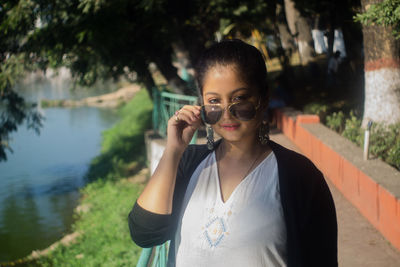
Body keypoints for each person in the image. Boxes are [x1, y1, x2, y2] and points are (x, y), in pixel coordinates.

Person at [128, 39, 337, 267]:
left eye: (240, 99)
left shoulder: (299, 176)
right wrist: (173, 150)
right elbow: (145, 233)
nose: (227, 114)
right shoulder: (189, 162)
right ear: (202, 106)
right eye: (214, 101)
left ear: (263, 98)